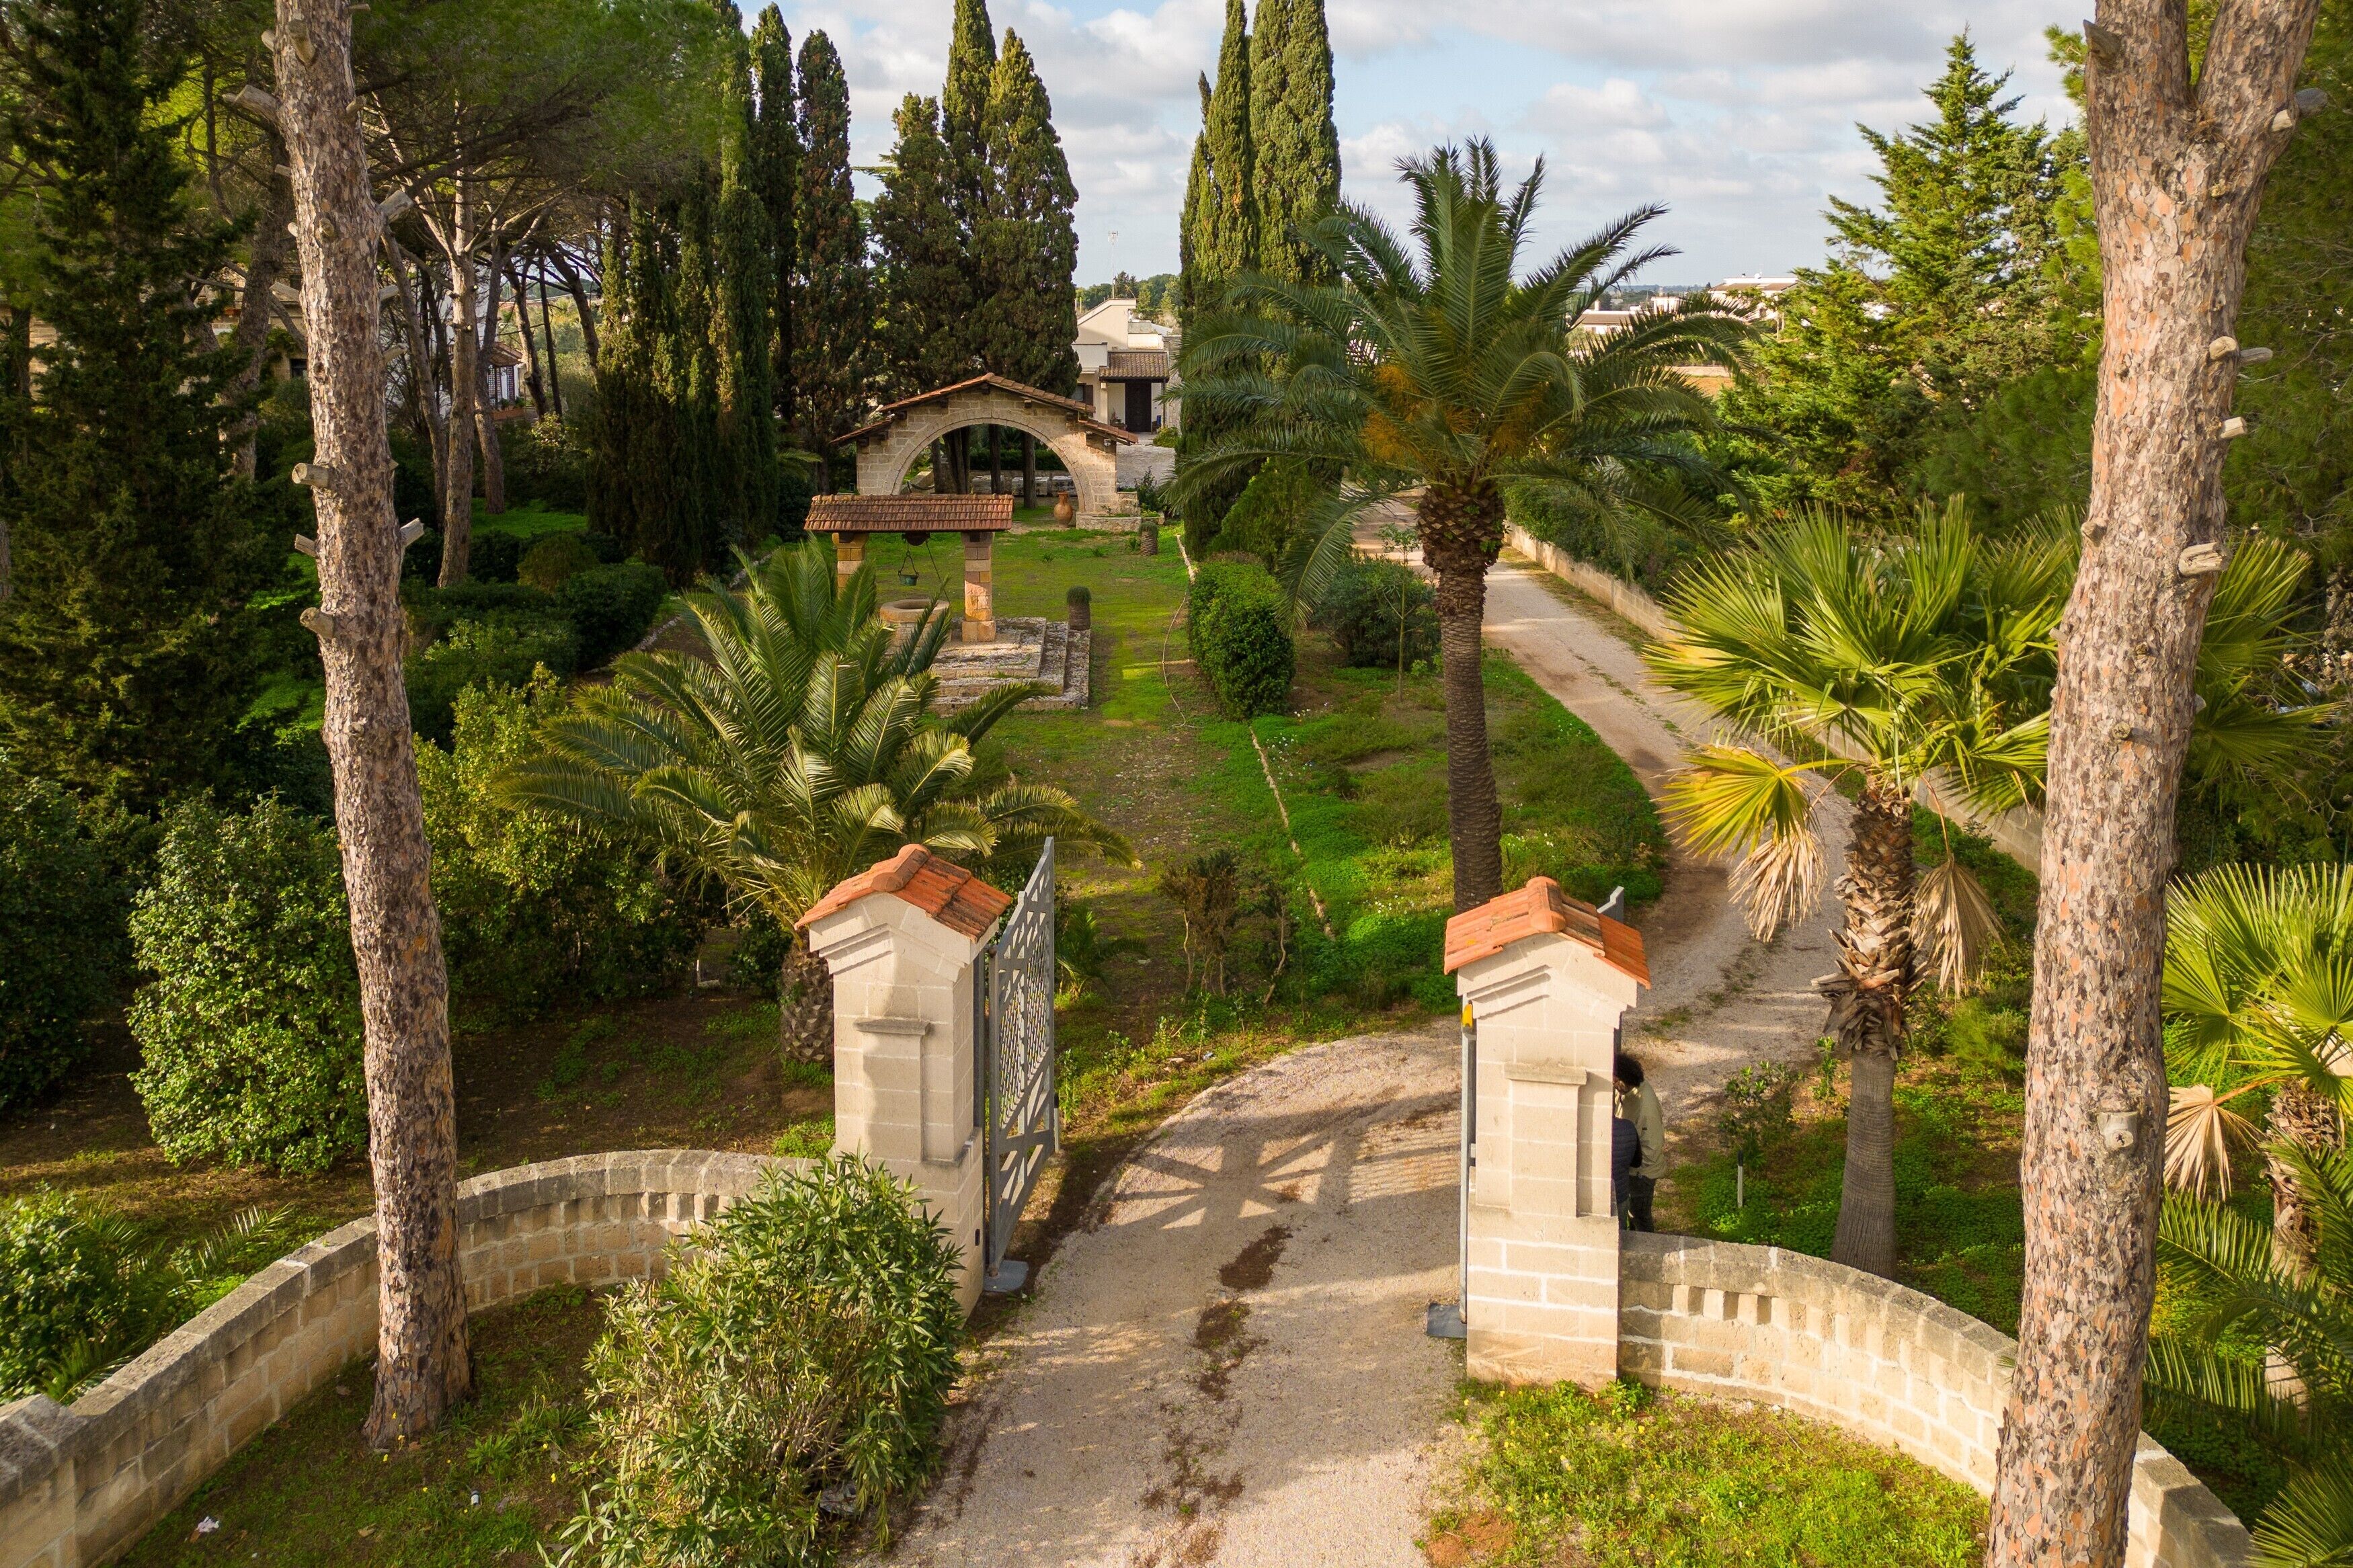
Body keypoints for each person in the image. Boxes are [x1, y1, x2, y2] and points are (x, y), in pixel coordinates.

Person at [1614, 1050, 1663, 1232]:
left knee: (1640, 1215)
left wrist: (1635, 1170)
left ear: (1624, 1078)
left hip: (1643, 1173)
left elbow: (1653, 1146)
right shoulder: (1628, 1092)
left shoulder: (1646, 1106)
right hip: (1634, 1168)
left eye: (1615, 1080)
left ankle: (1649, 1249)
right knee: (1634, 1215)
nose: (1614, 1085)